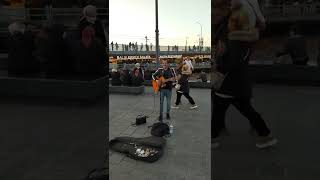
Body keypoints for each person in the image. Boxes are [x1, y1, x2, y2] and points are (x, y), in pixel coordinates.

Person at [212, 0, 277, 149]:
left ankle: (213, 137)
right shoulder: (239, 34)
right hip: (236, 82)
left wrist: (220, 66)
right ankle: (265, 134)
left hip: (230, 81)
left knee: (221, 109)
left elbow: (233, 59)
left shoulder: (236, 36)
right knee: (243, 108)